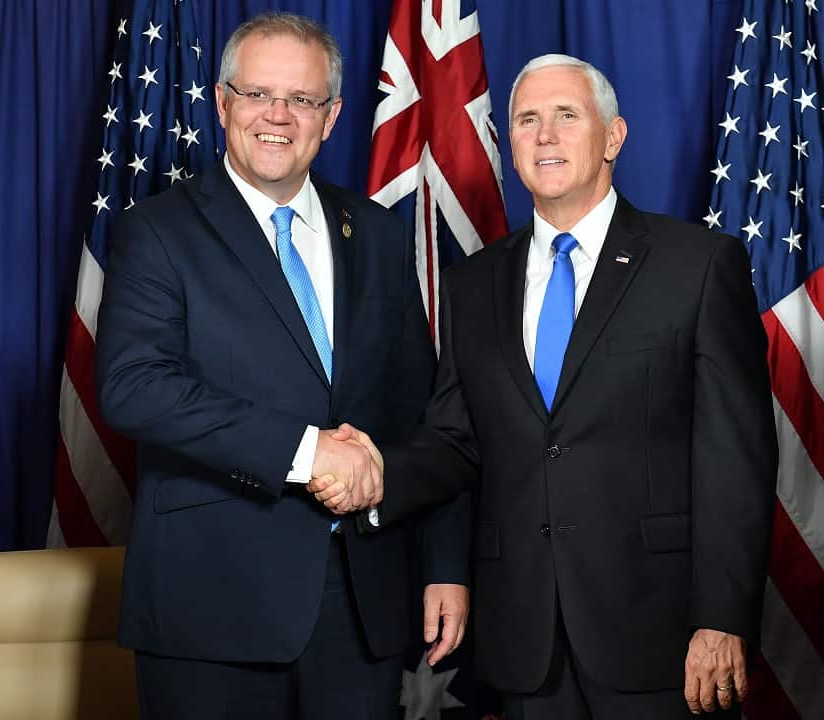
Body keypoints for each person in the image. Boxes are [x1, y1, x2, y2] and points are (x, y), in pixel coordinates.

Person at [319, 53, 778, 719]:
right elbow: (456, 441)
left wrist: (723, 617)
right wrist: (379, 468)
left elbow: (736, 460)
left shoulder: (698, 266)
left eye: (567, 116)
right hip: (524, 638)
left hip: (663, 634)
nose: (545, 136)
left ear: (612, 137)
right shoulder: (474, 284)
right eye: (527, 120)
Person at [95, 13, 469, 719]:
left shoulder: (380, 235)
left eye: (301, 100)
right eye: (259, 93)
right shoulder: (157, 231)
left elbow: (428, 418)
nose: (278, 116)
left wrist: (446, 566)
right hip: (212, 605)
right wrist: (309, 453)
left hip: (364, 606)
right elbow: (133, 387)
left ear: (329, 118)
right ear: (224, 101)